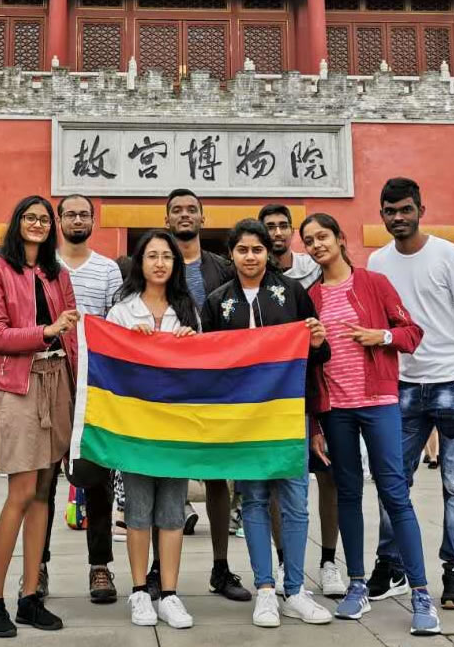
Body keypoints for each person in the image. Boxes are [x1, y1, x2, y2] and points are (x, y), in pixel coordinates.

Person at [299, 213, 441, 635]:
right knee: (347, 494)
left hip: (379, 401)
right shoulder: (310, 297)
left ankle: (420, 593)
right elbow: (307, 364)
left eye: (322, 236)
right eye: (308, 240)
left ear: (341, 239)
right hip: (335, 409)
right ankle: (357, 584)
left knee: (395, 493)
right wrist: (315, 425)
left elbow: (412, 332)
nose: (316, 245)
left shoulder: (373, 283)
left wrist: (378, 337)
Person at [365, 178, 454, 610]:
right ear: (381, 214)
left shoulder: (447, 253)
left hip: (450, 382)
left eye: (405, 209)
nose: (398, 218)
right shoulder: (377, 262)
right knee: (392, 482)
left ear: (421, 208)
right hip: (399, 384)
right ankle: (392, 564)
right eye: (390, 211)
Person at [201, 218, 333, 628]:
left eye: (257, 249)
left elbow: (320, 355)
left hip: (288, 412)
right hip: (242, 419)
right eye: (242, 250)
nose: (251, 256)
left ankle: (294, 589)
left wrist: (316, 341)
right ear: (231, 254)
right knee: (255, 500)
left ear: (267, 253)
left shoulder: (292, 293)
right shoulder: (218, 300)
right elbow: (208, 360)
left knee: (294, 501)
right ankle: (264, 590)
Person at [0, 196, 79, 638]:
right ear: (16, 223)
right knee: (20, 491)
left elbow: (75, 334)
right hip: (19, 383)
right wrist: (46, 331)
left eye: (43, 219)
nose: (37, 224)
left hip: (59, 381)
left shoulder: (59, 273)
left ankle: (30, 595)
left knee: (44, 491)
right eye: (29, 217)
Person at [104, 229, 199, 630]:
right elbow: (109, 367)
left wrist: (190, 342)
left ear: (175, 265)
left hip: (176, 428)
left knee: (173, 511)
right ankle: (141, 591)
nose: (160, 263)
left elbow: (204, 368)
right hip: (135, 428)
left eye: (167, 257)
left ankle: (171, 594)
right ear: (139, 263)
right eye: (152, 256)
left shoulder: (188, 310)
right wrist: (130, 342)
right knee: (138, 511)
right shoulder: (121, 312)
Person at [162, 188, 249, 603]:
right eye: (176, 210)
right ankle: (161, 568)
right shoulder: (153, 262)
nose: (184, 215)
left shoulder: (223, 268)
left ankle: (220, 566)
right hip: (169, 387)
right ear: (166, 220)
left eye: (191, 210)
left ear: (203, 217)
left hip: (215, 384)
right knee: (168, 475)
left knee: (218, 477)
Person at [261, 204, 341, 598]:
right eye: (268, 228)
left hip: (319, 391)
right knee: (278, 484)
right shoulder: (250, 282)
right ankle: (281, 562)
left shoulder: (315, 275)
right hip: (271, 401)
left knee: (329, 476)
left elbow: (321, 346)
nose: (276, 233)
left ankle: (329, 561)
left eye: (282, 226)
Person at [47, 193, 123, 604]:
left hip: (93, 384)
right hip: (47, 380)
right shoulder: (43, 266)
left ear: (93, 220)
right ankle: (38, 567)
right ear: (59, 220)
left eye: (84, 213)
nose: (77, 219)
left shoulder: (108, 269)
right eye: (70, 213)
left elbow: (115, 327)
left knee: (97, 480)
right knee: (43, 481)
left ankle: (100, 566)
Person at [259, 204, 320, 288]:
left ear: (292, 232)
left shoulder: (313, 267)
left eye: (283, 226)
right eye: (270, 227)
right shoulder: (254, 271)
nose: (278, 233)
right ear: (260, 234)